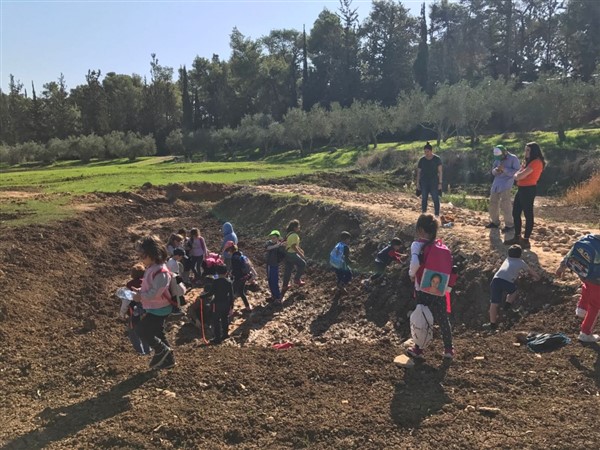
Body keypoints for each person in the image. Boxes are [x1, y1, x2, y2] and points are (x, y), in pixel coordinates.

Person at [407, 214, 454, 359]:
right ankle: (448, 350)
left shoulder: (417, 245)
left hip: (422, 288)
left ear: (420, 229)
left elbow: (415, 264)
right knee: (443, 318)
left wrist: (411, 274)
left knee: (422, 316)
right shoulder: (442, 247)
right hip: (439, 290)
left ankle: (419, 349)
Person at [131, 235, 175, 370]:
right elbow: (150, 287)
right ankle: (169, 360)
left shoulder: (161, 272)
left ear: (153, 254)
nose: (140, 259)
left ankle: (161, 350)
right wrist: (140, 290)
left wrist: (141, 297)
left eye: (142, 256)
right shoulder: (152, 268)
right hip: (155, 307)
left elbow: (155, 293)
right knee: (158, 332)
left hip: (160, 309)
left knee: (141, 329)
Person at [483, 244, 541, 332]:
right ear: (520, 254)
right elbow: (530, 271)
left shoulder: (507, 259)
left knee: (494, 304)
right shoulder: (521, 262)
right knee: (514, 291)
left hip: (495, 280)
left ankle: (492, 324)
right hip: (506, 281)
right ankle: (507, 305)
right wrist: (537, 277)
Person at [504, 142, 545, 250]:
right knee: (516, 212)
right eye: (525, 150)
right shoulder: (528, 162)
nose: (525, 152)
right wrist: (518, 175)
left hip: (529, 189)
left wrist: (517, 175)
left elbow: (519, 175)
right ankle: (517, 237)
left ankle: (526, 240)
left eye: (528, 150)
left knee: (528, 214)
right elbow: (519, 174)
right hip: (521, 189)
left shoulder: (536, 162)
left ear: (533, 151)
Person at [556, 247, 600, 343]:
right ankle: (585, 333)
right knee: (595, 306)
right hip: (597, 280)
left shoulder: (590, 239)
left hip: (584, 273)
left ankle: (582, 309)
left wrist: (562, 266)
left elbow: (572, 252)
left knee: (587, 287)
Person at [485, 145, 520, 233]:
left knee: (506, 204)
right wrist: (497, 170)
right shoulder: (497, 159)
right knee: (493, 203)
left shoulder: (513, 158)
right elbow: (493, 171)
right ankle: (495, 222)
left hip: (506, 184)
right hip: (496, 184)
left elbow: (517, 172)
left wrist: (504, 169)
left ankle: (509, 224)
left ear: (505, 152)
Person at [200, 264, 234, 344]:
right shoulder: (229, 282)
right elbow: (232, 295)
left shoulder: (215, 282)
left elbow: (211, 293)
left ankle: (217, 338)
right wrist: (231, 305)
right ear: (226, 272)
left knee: (216, 321)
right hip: (226, 303)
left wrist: (202, 296)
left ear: (217, 273)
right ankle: (225, 334)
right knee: (225, 319)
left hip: (217, 303)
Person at [416, 142, 443, 218]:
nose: (426, 153)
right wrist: (418, 183)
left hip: (434, 182)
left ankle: (437, 215)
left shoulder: (437, 159)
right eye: (425, 152)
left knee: (435, 198)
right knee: (424, 198)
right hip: (424, 182)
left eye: (427, 151)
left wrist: (440, 183)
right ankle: (424, 213)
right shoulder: (422, 160)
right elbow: (419, 172)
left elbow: (440, 172)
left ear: (431, 151)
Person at [281, 219, 307, 297]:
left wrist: (300, 250)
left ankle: (285, 286)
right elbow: (293, 246)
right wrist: (301, 254)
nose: (299, 227)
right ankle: (297, 279)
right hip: (292, 254)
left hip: (287, 254)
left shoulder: (289, 234)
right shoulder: (294, 235)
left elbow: (294, 245)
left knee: (288, 270)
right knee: (302, 264)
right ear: (295, 227)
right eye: (298, 226)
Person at [226, 243, 253, 312]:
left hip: (238, 278)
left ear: (230, 250)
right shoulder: (241, 255)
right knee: (241, 292)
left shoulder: (234, 258)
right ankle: (248, 307)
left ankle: (230, 310)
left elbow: (236, 269)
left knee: (232, 294)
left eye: (228, 250)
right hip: (245, 276)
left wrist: (232, 275)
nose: (228, 252)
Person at [265, 230, 285, 304]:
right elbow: (268, 248)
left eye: (274, 238)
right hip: (269, 265)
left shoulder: (280, 246)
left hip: (274, 265)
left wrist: (281, 246)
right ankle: (273, 296)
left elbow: (283, 254)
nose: (273, 239)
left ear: (277, 238)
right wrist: (276, 246)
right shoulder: (269, 243)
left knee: (274, 281)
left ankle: (277, 297)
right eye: (272, 237)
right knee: (270, 281)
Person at [166, 247, 187, 314]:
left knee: (175, 295)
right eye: (181, 256)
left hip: (171, 280)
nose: (181, 258)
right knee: (177, 295)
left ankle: (176, 308)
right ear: (178, 256)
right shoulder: (174, 264)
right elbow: (176, 275)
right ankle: (176, 310)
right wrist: (181, 283)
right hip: (174, 281)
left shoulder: (171, 260)